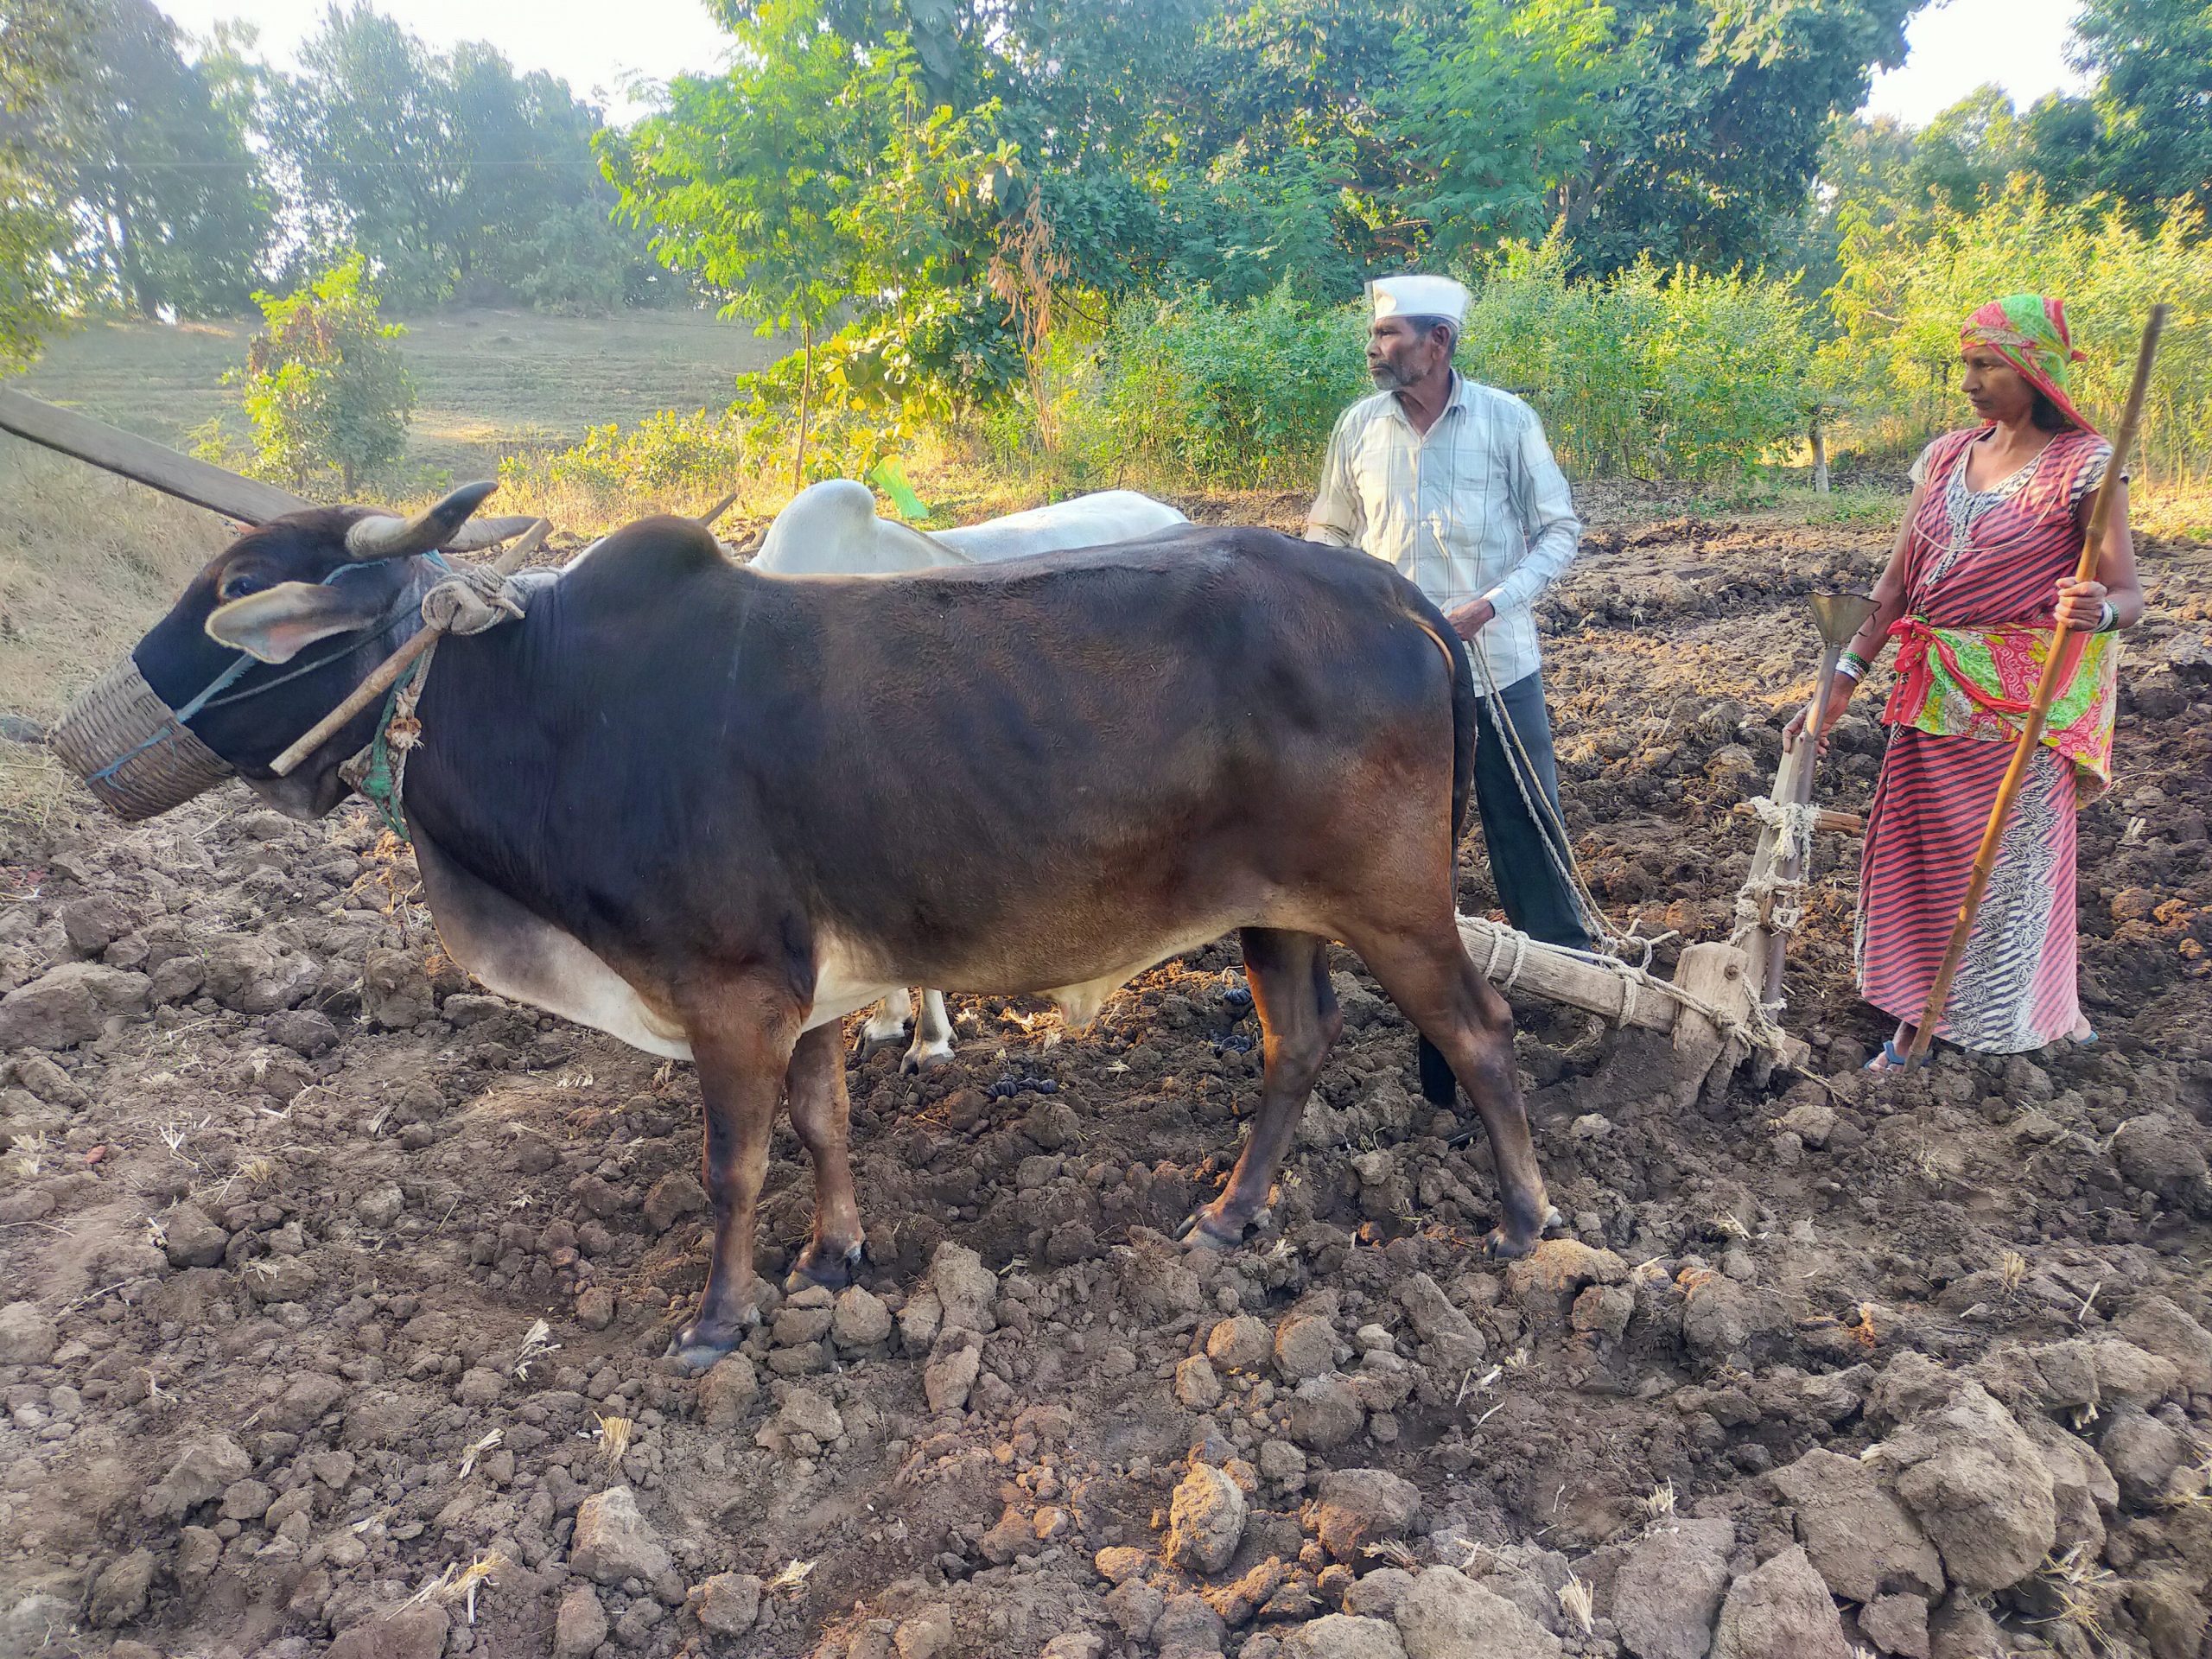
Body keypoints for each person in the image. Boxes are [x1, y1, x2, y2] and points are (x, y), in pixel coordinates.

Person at [1787, 294, 2141, 1069]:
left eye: (1990, 364)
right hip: (1933, 694)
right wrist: (1843, 679)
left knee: (2005, 864)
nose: (1972, 380)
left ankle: (1942, 1027)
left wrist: (2097, 612)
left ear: (2035, 370)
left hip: (2027, 706)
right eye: (1968, 363)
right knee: (1921, 856)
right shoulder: (1947, 455)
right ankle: (1924, 998)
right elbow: (1895, 587)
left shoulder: (2086, 467)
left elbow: (2129, 596)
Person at [1306, 274, 1592, 950]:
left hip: (1498, 667)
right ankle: (1426, 967)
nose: (1373, 348)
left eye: (1386, 334)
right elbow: (1328, 533)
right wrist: (1353, 606)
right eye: (1374, 334)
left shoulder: (1507, 420)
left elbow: (1559, 530)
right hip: (1391, 677)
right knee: (1406, 829)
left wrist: (1493, 604)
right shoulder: (1358, 427)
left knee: (1528, 822)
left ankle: (1567, 968)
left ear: (1438, 342)